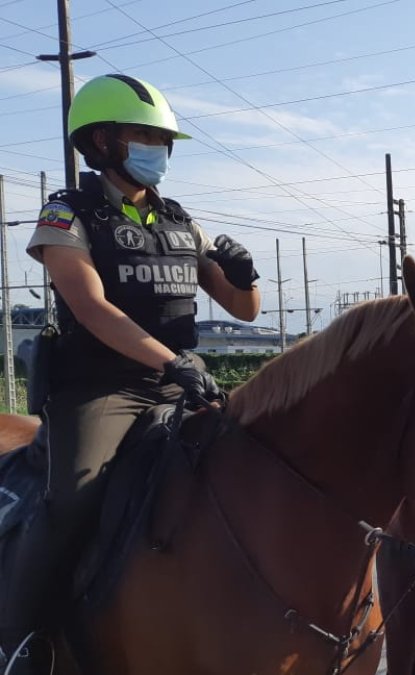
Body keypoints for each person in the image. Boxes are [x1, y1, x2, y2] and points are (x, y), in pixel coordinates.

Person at [0, 74, 261, 672]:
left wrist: (245, 274)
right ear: (100, 144)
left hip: (181, 382)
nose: (156, 149)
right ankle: (17, 638)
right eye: (143, 135)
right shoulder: (66, 213)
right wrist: (171, 361)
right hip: (101, 389)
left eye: (161, 138)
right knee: (72, 494)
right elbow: (91, 308)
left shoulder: (180, 221)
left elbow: (243, 310)